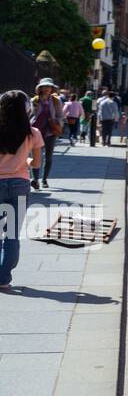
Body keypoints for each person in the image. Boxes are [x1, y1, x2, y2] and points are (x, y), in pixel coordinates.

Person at [0, 90, 43, 292]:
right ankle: (4, 277)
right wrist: (23, 160)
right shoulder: (33, 133)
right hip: (20, 184)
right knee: (12, 234)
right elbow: (37, 164)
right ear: (27, 109)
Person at [30, 78, 63, 190]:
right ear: (40, 88)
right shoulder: (34, 100)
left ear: (52, 88)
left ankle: (44, 179)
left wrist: (56, 123)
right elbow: (29, 115)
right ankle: (35, 179)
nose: (47, 88)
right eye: (45, 86)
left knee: (48, 157)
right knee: (36, 156)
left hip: (50, 132)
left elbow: (60, 115)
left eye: (49, 86)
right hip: (36, 131)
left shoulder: (55, 101)